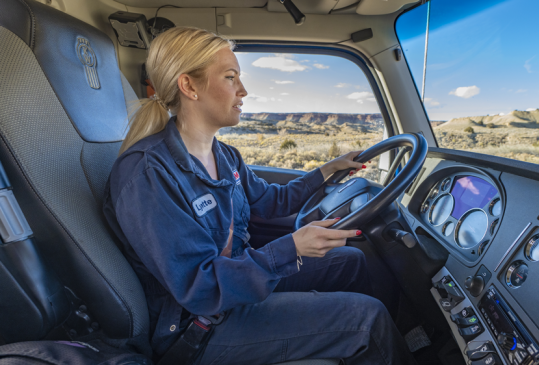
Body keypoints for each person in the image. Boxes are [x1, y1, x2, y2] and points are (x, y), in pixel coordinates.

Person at [103, 27, 417, 365]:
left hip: (235, 285)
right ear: (189, 86)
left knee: (351, 262)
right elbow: (201, 287)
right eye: (230, 77)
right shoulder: (149, 175)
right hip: (197, 326)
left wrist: (328, 170)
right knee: (366, 321)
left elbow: (272, 201)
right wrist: (292, 247)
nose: (243, 90)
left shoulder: (225, 156)